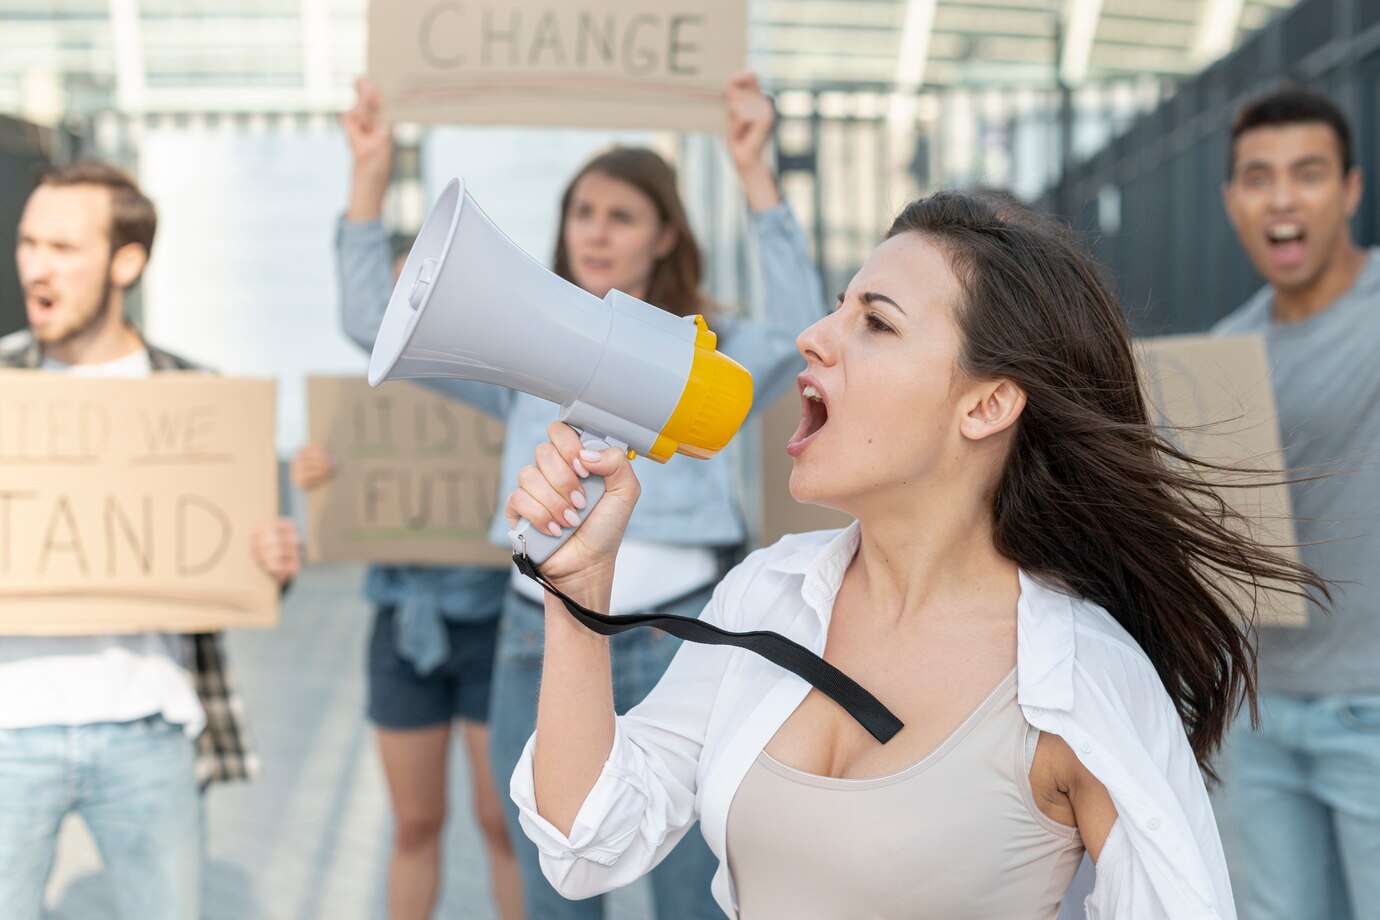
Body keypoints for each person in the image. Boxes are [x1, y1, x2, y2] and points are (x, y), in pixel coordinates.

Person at [503, 190, 1327, 919]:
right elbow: (587, 841)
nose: (813, 338)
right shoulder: (767, 595)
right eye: (838, 308)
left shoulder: (1077, 681)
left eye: (876, 322)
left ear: (987, 405)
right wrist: (578, 590)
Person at [332, 73, 825, 918]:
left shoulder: (709, 348)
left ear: (665, 235)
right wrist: (370, 173)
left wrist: (754, 170)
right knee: (553, 882)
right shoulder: (523, 347)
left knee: (691, 890)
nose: (596, 230)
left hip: (678, 634)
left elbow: (797, 330)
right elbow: (371, 318)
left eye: (622, 215)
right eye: (583, 212)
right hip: (539, 634)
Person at [0, 160, 300, 920]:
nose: (36, 266)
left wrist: (271, 563)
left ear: (125, 262)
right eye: (29, 242)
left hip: (150, 730)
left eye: (63, 247)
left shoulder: (199, 398)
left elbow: (241, 569)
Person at [292, 236, 521, 919]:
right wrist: (322, 480)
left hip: (493, 625)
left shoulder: (505, 395)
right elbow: (345, 504)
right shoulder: (370, 404)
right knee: (415, 823)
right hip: (401, 624)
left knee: (502, 821)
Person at [1215, 86, 1380, 920]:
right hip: (1265, 712)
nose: (1281, 198)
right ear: (1232, 202)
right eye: (1259, 178)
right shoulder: (1224, 353)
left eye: (1308, 173)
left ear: (1350, 190)